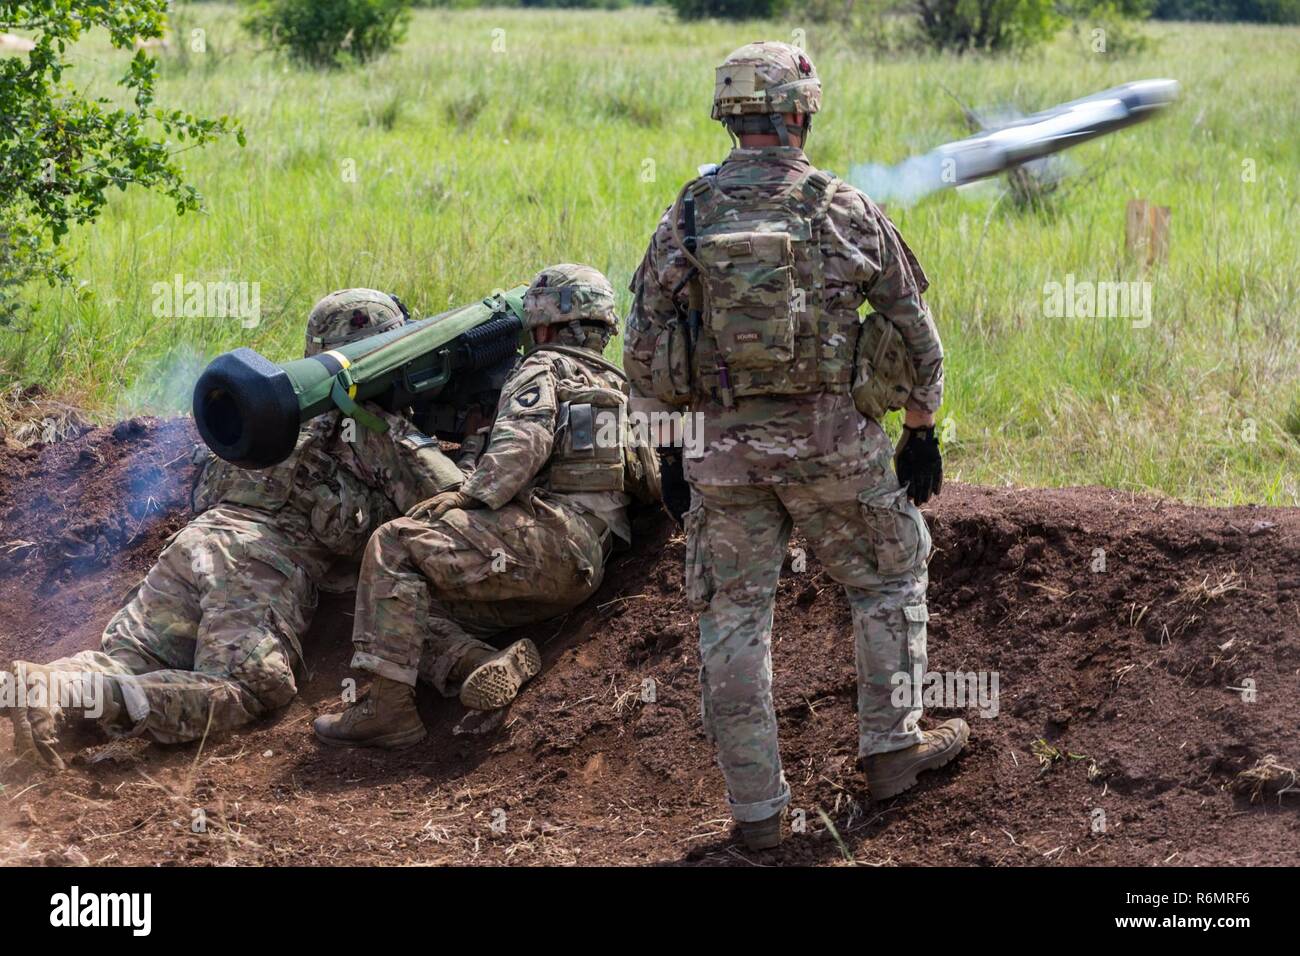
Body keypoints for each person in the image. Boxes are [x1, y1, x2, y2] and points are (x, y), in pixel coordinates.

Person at [623, 42, 967, 850]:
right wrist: (920, 429)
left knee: (734, 620)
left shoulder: (689, 214)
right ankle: (892, 751)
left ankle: (758, 818)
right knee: (888, 579)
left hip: (723, 461)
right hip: (835, 451)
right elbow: (917, 334)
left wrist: (671, 449)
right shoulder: (842, 207)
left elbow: (642, 350)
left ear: (729, 116)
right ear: (801, 112)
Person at [3, 290, 466, 768]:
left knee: (130, 658)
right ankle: (90, 703)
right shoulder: (372, 427)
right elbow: (456, 509)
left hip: (192, 544)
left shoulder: (261, 409)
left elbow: (201, 488)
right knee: (246, 686)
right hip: (254, 564)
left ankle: (44, 686)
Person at [313, 264, 656, 749]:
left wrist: (467, 496)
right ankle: (476, 662)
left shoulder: (542, 368)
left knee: (394, 544)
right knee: (404, 605)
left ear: (540, 326)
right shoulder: (624, 394)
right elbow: (647, 486)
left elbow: (523, 446)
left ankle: (388, 711)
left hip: (550, 539)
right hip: (583, 567)